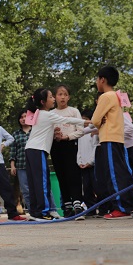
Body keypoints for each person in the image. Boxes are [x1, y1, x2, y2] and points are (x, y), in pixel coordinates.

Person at [92, 66, 133, 219]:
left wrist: (99, 121)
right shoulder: (116, 96)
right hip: (118, 139)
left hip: (108, 138)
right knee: (124, 173)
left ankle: (121, 207)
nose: (97, 82)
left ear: (102, 80)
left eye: (97, 79)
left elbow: (95, 120)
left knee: (114, 175)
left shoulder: (105, 96)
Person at [24, 89, 88, 221]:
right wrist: (90, 122)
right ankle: (43, 212)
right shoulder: (47, 114)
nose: (54, 99)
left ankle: (36, 211)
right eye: (51, 97)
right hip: (38, 150)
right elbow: (67, 120)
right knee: (42, 182)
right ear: (43, 102)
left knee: (35, 182)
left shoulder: (38, 114)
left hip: (30, 150)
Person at [50, 84, 85, 218]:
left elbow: (80, 130)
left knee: (74, 174)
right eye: (60, 94)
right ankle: (67, 206)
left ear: (69, 97)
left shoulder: (74, 111)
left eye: (65, 94)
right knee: (61, 175)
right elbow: (47, 132)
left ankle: (78, 205)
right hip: (56, 146)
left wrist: (67, 136)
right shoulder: (51, 114)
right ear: (54, 97)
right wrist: (55, 134)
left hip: (71, 145)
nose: (62, 97)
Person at [9, 110, 32, 213]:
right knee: (25, 190)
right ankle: (32, 211)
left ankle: (44, 210)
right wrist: (12, 166)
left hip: (35, 164)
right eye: (21, 117)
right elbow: (13, 151)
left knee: (38, 188)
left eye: (25, 116)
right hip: (21, 166)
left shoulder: (35, 131)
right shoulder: (16, 134)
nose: (23, 119)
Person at [77, 110, 99, 217]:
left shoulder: (94, 132)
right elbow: (79, 150)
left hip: (92, 165)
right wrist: (79, 161)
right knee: (86, 188)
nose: (84, 122)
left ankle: (104, 207)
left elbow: (95, 147)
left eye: (86, 119)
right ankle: (91, 209)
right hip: (83, 165)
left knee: (97, 186)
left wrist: (91, 161)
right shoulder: (80, 133)